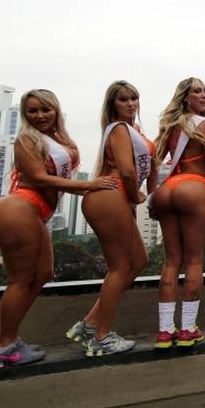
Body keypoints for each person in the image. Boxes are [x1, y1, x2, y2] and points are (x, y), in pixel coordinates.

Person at [0, 90, 116, 369]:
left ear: (55, 110)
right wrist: (89, 186)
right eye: (32, 111)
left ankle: (9, 340)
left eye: (45, 109)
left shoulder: (59, 140)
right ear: (25, 114)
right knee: (20, 280)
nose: (39, 115)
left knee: (42, 274)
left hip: (36, 215)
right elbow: (39, 178)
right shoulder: (25, 139)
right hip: (18, 209)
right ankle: (2, 346)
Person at [68, 81, 156, 356]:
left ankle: (89, 325)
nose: (131, 104)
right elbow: (129, 172)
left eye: (134, 98)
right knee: (120, 267)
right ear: (112, 105)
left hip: (113, 198)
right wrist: (137, 196)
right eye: (123, 100)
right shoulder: (119, 129)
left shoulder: (132, 130)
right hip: (112, 194)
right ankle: (102, 337)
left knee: (138, 261)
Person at [150, 78, 205, 348]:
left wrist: (151, 194)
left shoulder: (170, 125)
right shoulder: (204, 124)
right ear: (185, 97)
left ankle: (164, 331)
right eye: (197, 91)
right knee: (194, 261)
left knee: (171, 261)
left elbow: (155, 160)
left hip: (167, 189)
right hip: (193, 187)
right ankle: (187, 329)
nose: (204, 95)